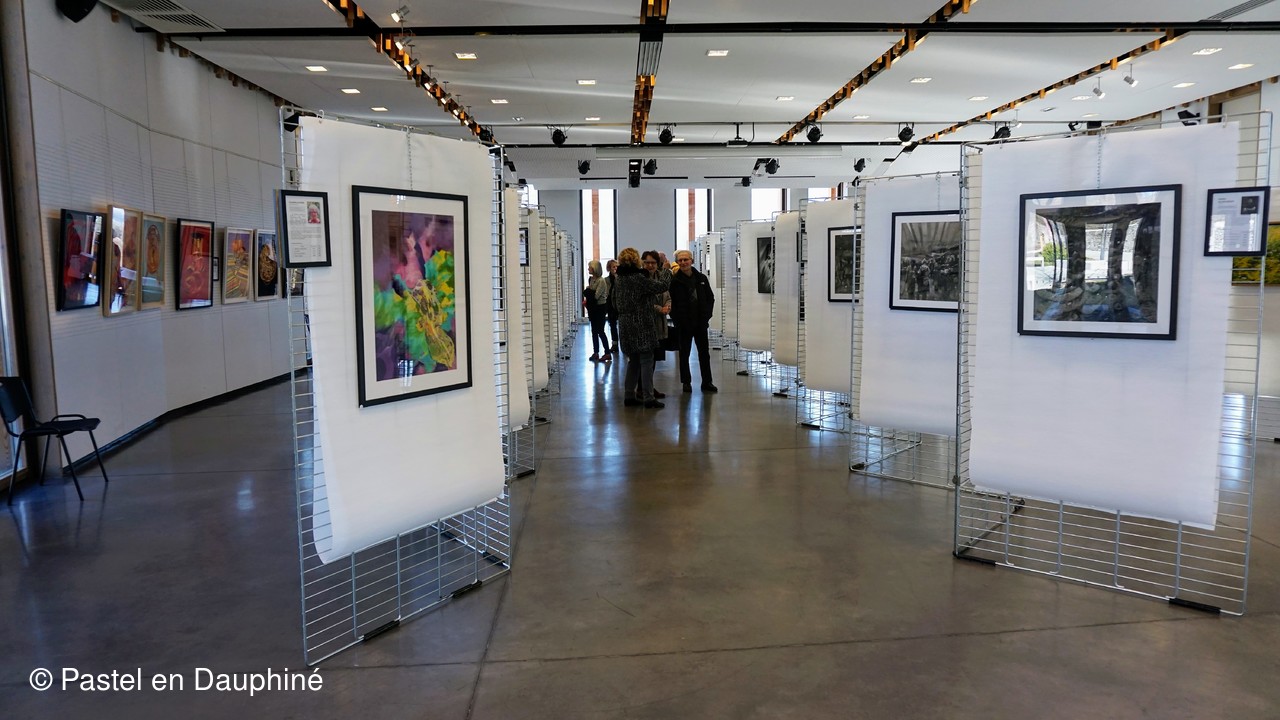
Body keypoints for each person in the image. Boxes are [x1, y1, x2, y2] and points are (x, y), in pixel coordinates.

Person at [612, 247, 671, 408]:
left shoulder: (619, 279)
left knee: (633, 361)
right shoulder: (638, 278)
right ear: (637, 260)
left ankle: (629, 395)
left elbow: (614, 302)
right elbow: (662, 286)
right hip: (642, 324)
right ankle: (648, 398)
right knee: (646, 360)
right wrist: (666, 270)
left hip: (625, 324)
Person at [668, 249, 717, 393]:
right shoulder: (675, 282)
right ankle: (686, 382)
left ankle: (707, 382)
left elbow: (710, 298)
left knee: (704, 354)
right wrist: (677, 320)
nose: (683, 262)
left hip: (700, 323)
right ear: (677, 262)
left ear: (692, 261)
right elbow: (671, 303)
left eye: (686, 259)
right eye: (680, 260)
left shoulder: (701, 278)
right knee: (684, 354)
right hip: (684, 325)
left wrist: (707, 315)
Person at [629, 251, 670, 401]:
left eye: (653, 262)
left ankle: (648, 387)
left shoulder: (660, 276)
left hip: (659, 323)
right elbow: (642, 303)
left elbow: (667, 294)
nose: (650, 265)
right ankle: (643, 389)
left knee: (653, 359)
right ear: (642, 263)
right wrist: (659, 309)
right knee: (644, 359)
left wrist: (668, 306)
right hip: (645, 323)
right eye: (647, 262)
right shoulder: (640, 278)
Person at [583, 259, 612, 362]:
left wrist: (588, 291)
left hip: (600, 308)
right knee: (594, 331)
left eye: (590, 267)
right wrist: (588, 292)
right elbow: (589, 294)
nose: (588, 269)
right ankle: (596, 352)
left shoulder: (601, 281)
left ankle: (607, 353)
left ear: (594, 268)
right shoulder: (591, 279)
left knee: (600, 331)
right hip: (592, 308)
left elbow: (595, 296)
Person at [604, 259, 620, 353]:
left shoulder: (621, 279)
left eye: (617, 267)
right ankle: (615, 344)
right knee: (612, 325)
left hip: (620, 304)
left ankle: (624, 344)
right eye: (613, 267)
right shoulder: (606, 280)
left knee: (622, 325)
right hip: (610, 304)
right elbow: (607, 292)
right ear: (609, 268)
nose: (615, 269)